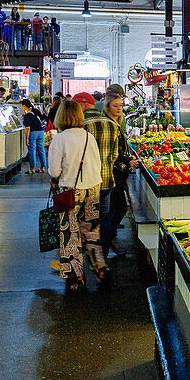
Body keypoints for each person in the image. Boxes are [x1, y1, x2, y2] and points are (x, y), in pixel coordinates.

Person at [48, 100, 106, 292]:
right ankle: (100, 266)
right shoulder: (89, 137)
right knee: (91, 231)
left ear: (61, 117)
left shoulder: (59, 139)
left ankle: (76, 276)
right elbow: (97, 164)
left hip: (70, 191)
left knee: (70, 234)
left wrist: (56, 177)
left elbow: (54, 171)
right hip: (93, 187)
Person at [73, 92, 124, 258]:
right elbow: (116, 154)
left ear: (83, 105)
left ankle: (92, 256)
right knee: (105, 217)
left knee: (88, 219)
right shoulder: (112, 124)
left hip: (87, 181)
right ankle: (105, 253)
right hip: (107, 179)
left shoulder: (81, 125)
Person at [104, 93, 138, 244]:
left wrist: (128, 159)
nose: (119, 109)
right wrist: (127, 163)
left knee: (116, 209)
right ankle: (107, 241)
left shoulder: (116, 123)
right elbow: (111, 152)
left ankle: (109, 239)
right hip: (112, 174)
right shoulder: (109, 125)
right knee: (118, 208)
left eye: (121, 106)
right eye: (115, 106)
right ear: (107, 107)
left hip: (117, 173)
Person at [21, 99, 47, 174]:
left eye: (22, 105)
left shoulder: (27, 116)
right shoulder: (36, 111)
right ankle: (42, 167)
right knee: (41, 149)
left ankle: (32, 168)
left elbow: (27, 128)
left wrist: (26, 139)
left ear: (24, 105)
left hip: (33, 133)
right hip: (41, 132)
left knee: (32, 150)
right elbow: (42, 118)